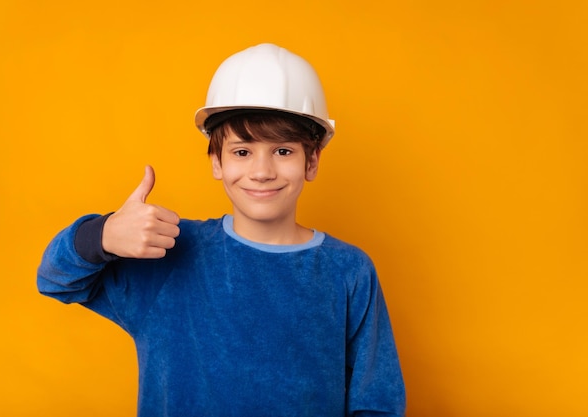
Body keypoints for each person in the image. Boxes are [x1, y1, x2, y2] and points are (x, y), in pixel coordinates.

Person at [37, 43, 406, 417]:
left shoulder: (348, 271)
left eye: (283, 151)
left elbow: (377, 403)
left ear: (312, 161)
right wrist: (101, 236)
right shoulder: (169, 253)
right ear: (216, 161)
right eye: (242, 151)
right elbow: (55, 279)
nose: (262, 171)